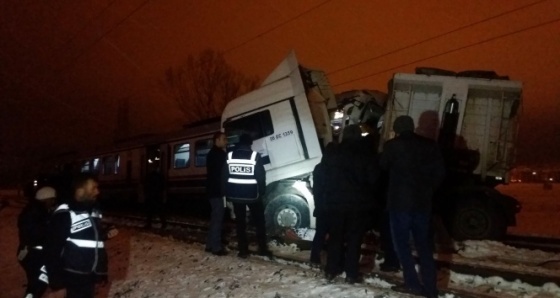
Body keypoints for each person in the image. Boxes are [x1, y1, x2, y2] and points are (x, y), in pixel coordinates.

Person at [379, 115, 445, 298]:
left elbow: (383, 166)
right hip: (422, 204)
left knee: (401, 245)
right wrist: (428, 190)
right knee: (424, 246)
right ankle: (431, 288)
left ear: (397, 129)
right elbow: (440, 173)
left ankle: (412, 284)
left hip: (399, 204)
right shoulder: (430, 145)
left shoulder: (392, 145)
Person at [45, 173, 118, 298]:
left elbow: (92, 242)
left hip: (89, 277)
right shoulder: (65, 214)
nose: (97, 192)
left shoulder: (94, 212)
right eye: (93, 188)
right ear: (80, 191)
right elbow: (52, 251)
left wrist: (101, 273)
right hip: (72, 278)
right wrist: (58, 285)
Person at [322, 124, 379, 284]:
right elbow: (373, 178)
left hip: (336, 202)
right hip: (357, 204)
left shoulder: (334, 152)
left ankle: (332, 269)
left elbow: (325, 175)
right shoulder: (366, 154)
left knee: (336, 237)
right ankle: (351, 273)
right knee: (355, 238)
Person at [221, 133, 272, 259]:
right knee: (259, 222)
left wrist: (226, 194)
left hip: (236, 196)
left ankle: (243, 250)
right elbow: (260, 176)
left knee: (240, 223)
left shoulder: (230, 155)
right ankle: (262, 248)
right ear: (250, 143)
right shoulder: (255, 156)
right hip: (252, 195)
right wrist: (262, 191)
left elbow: (224, 176)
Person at [17, 186, 57, 298]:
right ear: (46, 199)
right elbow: (37, 234)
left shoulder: (35, 210)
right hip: (33, 254)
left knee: (36, 283)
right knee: (39, 284)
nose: (53, 202)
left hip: (30, 253)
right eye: (52, 199)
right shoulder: (37, 213)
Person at [205, 132, 229, 256]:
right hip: (217, 191)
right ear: (217, 140)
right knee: (217, 219)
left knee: (215, 219)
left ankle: (209, 245)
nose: (226, 141)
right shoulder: (219, 155)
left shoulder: (211, 154)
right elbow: (223, 174)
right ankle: (216, 247)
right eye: (224, 139)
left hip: (212, 190)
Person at [143, 164, 167, 229]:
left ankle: (149, 224)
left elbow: (146, 185)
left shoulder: (149, 176)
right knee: (160, 210)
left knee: (149, 211)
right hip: (158, 196)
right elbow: (163, 185)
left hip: (151, 196)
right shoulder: (160, 176)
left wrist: (146, 193)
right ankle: (163, 224)